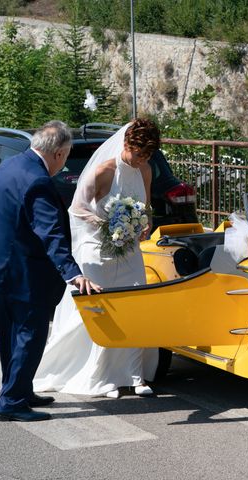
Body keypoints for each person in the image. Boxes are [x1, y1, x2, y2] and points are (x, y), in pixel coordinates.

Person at [0, 120, 101, 422]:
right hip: (25, 275)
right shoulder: (38, 181)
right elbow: (51, 234)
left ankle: (19, 389)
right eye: (67, 156)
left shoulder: (9, 165)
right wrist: (74, 273)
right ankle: (11, 403)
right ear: (58, 153)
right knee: (30, 337)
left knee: (10, 337)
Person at [33, 119, 160, 398]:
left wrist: (143, 225)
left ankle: (133, 375)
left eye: (147, 156)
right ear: (126, 145)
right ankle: (103, 377)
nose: (142, 161)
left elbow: (147, 208)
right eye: (139, 154)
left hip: (128, 251)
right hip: (97, 250)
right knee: (104, 312)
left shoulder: (145, 171)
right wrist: (106, 224)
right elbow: (76, 210)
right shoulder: (104, 170)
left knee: (135, 307)